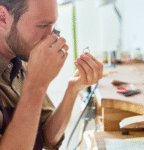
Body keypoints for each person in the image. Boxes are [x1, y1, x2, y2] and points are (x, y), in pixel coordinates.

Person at [0, 0, 103, 149]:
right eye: (42, 26)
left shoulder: (22, 60)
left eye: (53, 26)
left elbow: (47, 138)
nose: (51, 38)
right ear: (2, 17)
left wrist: (73, 89)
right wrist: (36, 86)